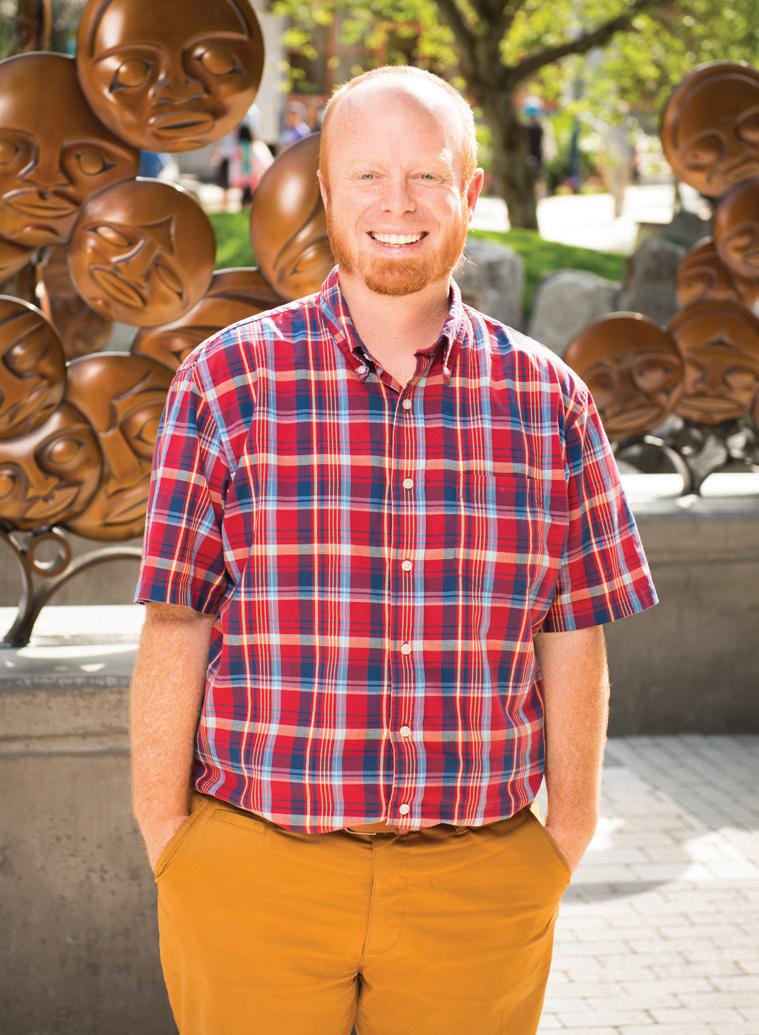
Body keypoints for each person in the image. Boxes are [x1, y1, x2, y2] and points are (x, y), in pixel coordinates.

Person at [130, 65, 658, 1035]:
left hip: (480, 879)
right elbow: (178, 619)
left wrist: (567, 832)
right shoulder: (225, 383)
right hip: (252, 871)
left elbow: (574, 631)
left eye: (426, 175)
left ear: (471, 190)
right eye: (368, 175)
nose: (397, 204)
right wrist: (170, 838)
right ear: (327, 193)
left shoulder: (550, 401)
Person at [229, 122, 273, 207]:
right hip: (264, 175)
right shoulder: (259, 145)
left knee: (251, 198)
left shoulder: (244, 148)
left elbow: (245, 167)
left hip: (253, 178)